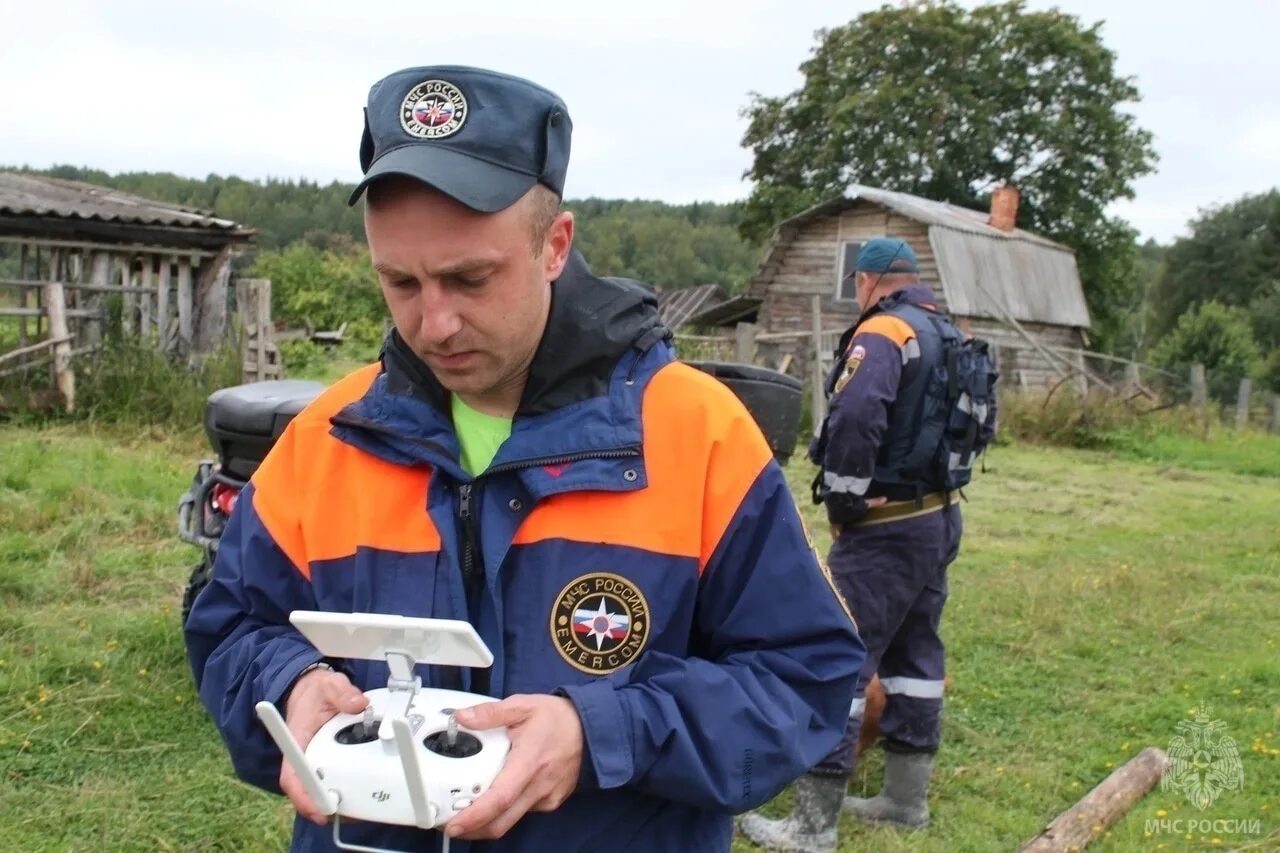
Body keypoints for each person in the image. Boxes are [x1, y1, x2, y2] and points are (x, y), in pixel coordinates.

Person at [184, 64, 864, 853]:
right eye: (399, 281)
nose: (432, 323)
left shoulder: (697, 434)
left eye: (470, 278)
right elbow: (231, 623)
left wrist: (600, 731)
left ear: (555, 245)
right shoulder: (326, 436)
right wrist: (288, 683)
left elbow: (804, 675)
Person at [740, 238, 995, 852]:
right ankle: (906, 800)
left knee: (841, 655)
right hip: (938, 516)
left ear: (867, 281)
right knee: (916, 660)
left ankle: (813, 824)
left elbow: (855, 417)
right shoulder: (949, 332)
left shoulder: (883, 332)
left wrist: (846, 501)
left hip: (884, 528)